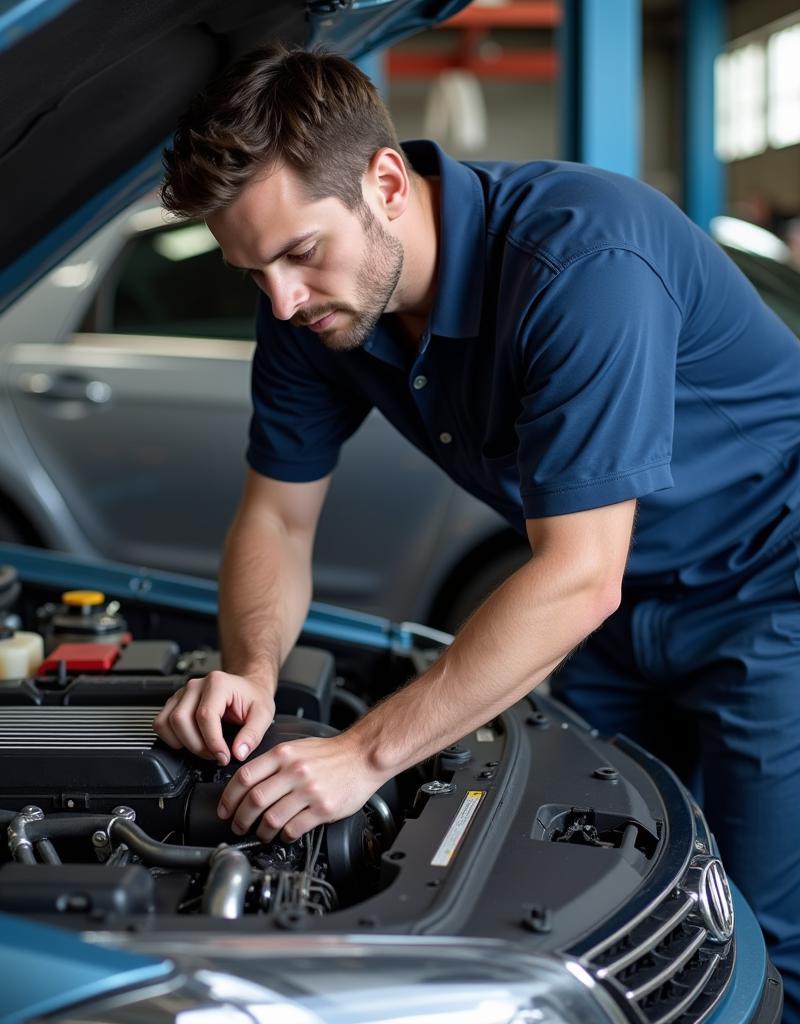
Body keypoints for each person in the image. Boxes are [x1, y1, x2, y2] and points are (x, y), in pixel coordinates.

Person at [153, 45, 800, 1018]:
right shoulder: (311, 314)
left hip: (772, 589)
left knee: (756, 941)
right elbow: (278, 518)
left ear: (384, 181)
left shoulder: (580, 262)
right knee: (593, 910)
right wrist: (252, 669)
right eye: (253, 271)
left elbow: (578, 575)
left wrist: (366, 755)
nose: (281, 300)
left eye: (298, 253)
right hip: (619, 619)